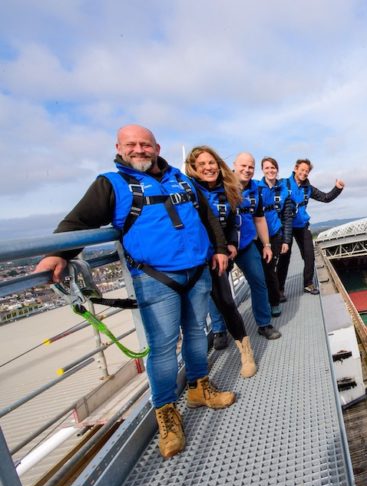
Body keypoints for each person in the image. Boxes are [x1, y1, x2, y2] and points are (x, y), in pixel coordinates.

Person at [34, 125, 234, 460]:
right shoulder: (110, 185)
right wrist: (58, 253)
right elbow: (77, 223)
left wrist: (219, 248)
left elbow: (207, 215)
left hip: (198, 271)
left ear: (157, 147)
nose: (139, 149)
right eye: (132, 144)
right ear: (119, 148)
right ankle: (167, 412)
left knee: (198, 333)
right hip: (155, 278)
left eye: (145, 144)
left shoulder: (182, 180)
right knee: (163, 348)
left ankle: (200, 388)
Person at [187, 148, 282, 346]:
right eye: (243, 166)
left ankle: (264, 324)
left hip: (245, 244)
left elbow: (259, 218)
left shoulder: (255, 190)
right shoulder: (215, 186)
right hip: (216, 249)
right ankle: (220, 330)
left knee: (259, 281)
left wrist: (266, 245)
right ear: (233, 167)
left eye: (251, 167)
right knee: (219, 291)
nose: (247, 170)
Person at [185, 146, 257, 379]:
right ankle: (198, 372)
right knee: (194, 313)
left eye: (211, 162)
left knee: (226, 302)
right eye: (202, 164)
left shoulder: (227, 189)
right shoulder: (188, 190)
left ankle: (246, 353)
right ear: (193, 169)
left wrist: (232, 243)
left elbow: (233, 221)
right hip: (194, 258)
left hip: (218, 257)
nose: (208, 167)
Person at [277, 158, 344, 297]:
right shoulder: (283, 183)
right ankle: (279, 289)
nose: (304, 173)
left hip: (302, 225)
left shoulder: (308, 188)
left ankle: (308, 283)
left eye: (307, 171)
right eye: (302, 170)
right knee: (284, 257)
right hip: (286, 226)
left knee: (309, 255)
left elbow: (325, 197)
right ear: (295, 169)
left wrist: (337, 188)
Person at [252, 156, 295, 316]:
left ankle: (274, 302)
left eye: (273, 168)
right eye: (267, 168)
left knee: (270, 271)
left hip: (275, 235)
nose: (270, 170)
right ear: (262, 170)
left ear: (277, 170)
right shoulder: (255, 187)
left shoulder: (284, 190)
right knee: (260, 273)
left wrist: (286, 240)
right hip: (257, 238)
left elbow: (287, 216)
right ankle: (264, 303)